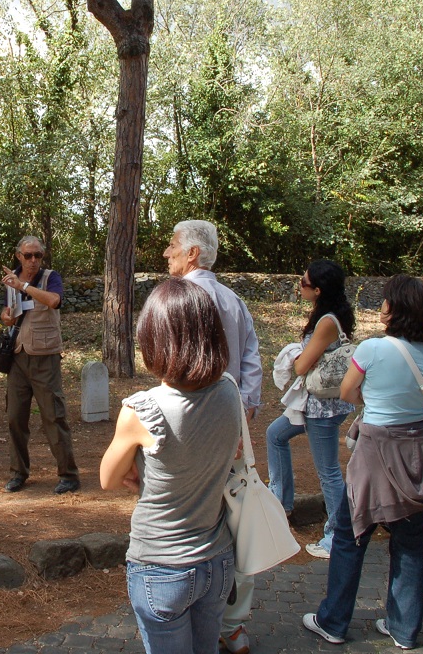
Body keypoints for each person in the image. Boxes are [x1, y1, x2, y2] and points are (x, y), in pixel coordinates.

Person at [303, 275, 423, 650]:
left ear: (393, 308)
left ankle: (334, 620)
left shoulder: (372, 349)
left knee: (349, 534)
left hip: (376, 452)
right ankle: (404, 628)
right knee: (409, 540)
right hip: (417, 452)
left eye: (385, 300)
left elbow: (347, 391)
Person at [100, 279, 241, 654]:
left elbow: (107, 478)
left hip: (161, 567)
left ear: (155, 339)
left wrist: (138, 469)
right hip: (218, 560)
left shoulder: (141, 410)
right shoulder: (229, 391)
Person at [161, 220, 263, 654]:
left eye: (172, 247)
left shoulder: (181, 300)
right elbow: (252, 359)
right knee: (237, 521)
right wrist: (243, 416)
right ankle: (233, 626)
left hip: (189, 430)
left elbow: (168, 365)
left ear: (193, 255)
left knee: (188, 521)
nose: (166, 254)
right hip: (232, 425)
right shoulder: (234, 299)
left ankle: (185, 613)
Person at [266, 259, 356, 562]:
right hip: (319, 403)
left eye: (303, 282)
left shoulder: (328, 321)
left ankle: (338, 535)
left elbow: (304, 365)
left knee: (328, 471)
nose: (299, 285)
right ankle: (281, 504)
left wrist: (292, 354)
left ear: (318, 290)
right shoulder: (331, 315)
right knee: (275, 434)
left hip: (322, 408)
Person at [0, 235, 79, 495]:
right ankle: (18, 473)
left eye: (38, 256)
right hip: (18, 356)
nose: (33, 260)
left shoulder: (50, 277)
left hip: (45, 356)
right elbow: (7, 314)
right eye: (28, 255)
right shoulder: (12, 280)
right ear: (19, 256)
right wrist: (6, 316)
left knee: (53, 416)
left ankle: (68, 475)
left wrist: (23, 285)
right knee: (15, 418)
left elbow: (54, 301)